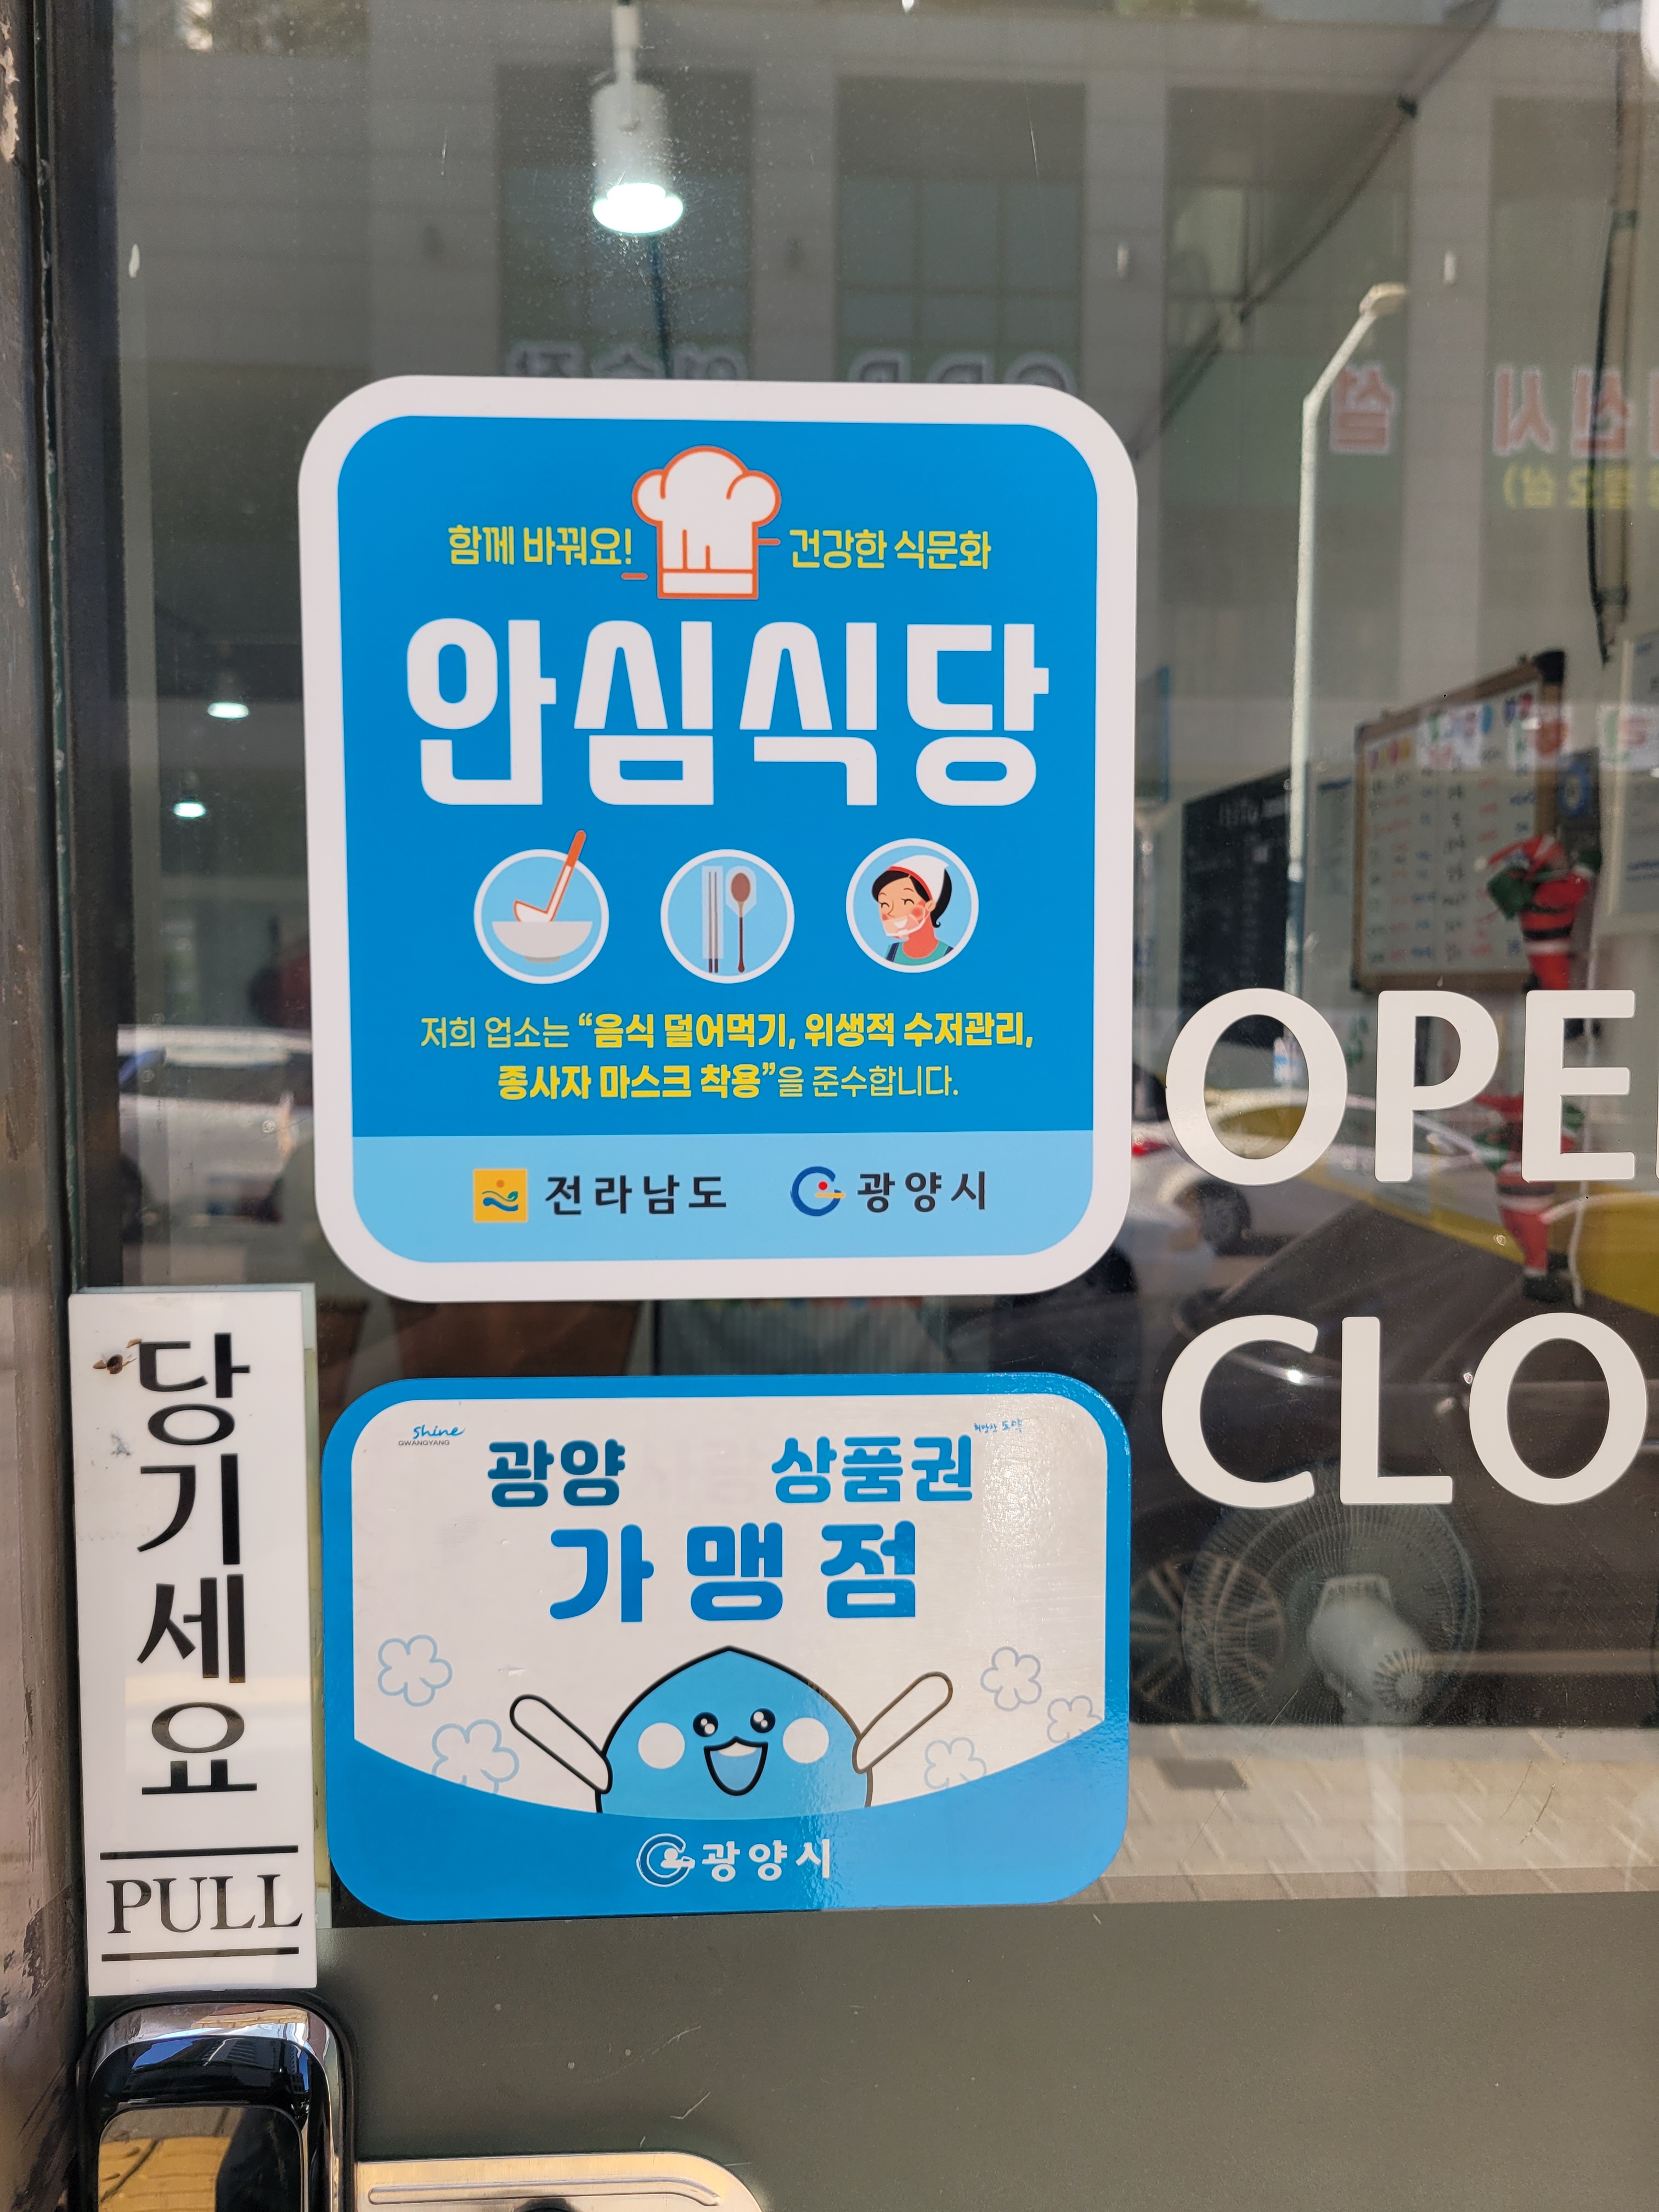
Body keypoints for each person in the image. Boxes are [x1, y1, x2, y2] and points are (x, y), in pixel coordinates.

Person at [871, 857, 953, 965]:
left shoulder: (950, 955)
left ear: (930, 906)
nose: (891, 912)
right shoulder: (891, 952)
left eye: (906, 901)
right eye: (885, 904)